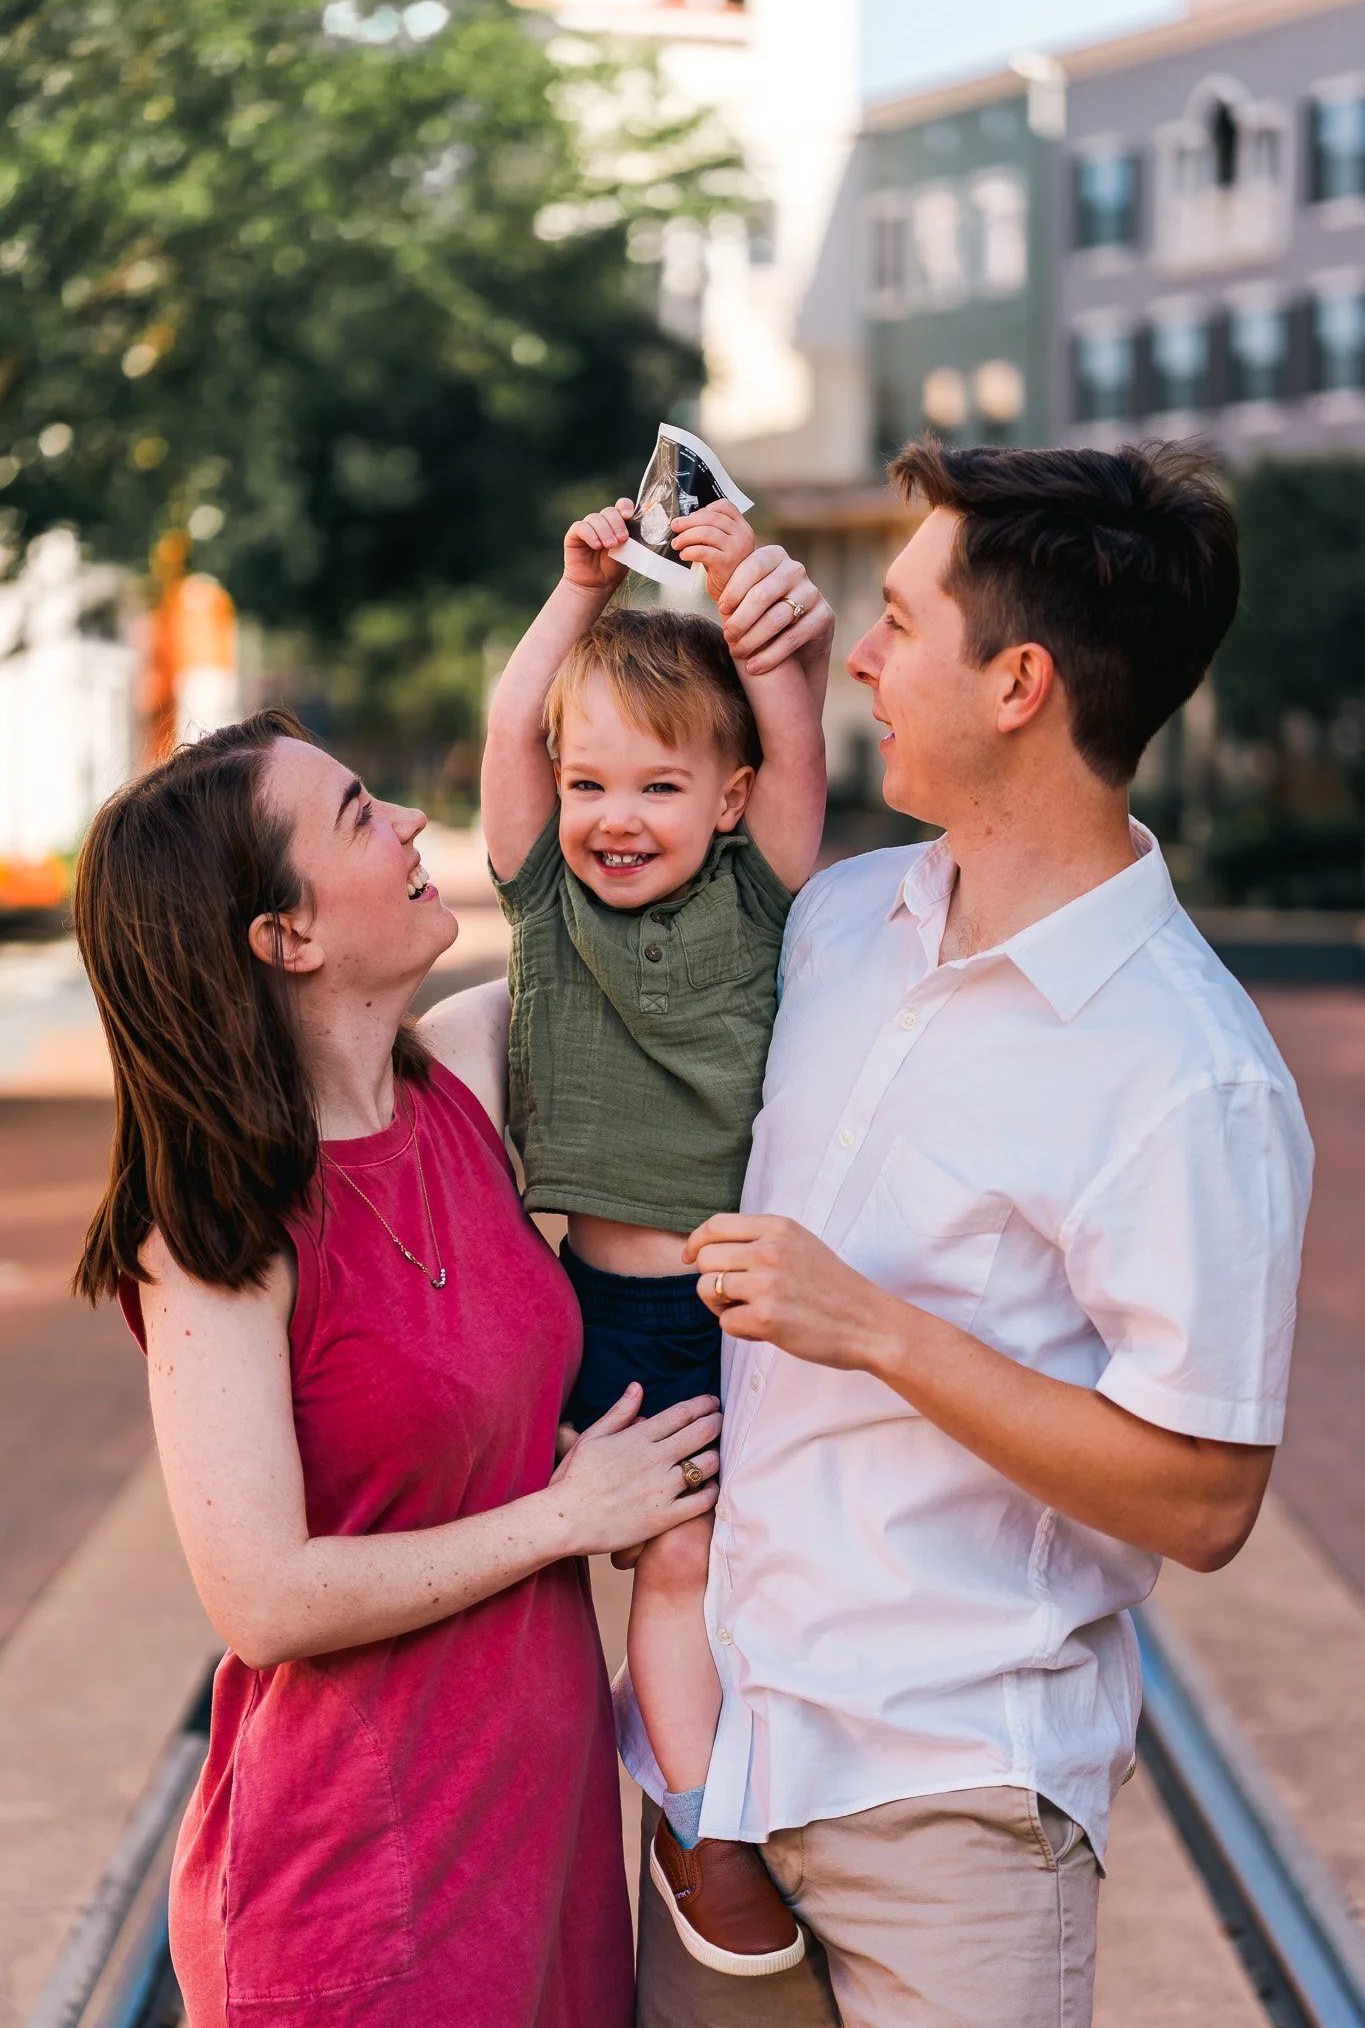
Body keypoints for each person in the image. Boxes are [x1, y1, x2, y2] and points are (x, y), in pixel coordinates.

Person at [626, 440, 1315, 2028]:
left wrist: (874, 1326)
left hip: (955, 1804)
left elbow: (1206, 1499)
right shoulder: (843, 921)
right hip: (725, 1763)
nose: (861, 648)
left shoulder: (1187, 1073)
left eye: (904, 618)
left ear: (1016, 682)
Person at [71, 709, 722, 2028]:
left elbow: (678, 911)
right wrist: (567, 1516)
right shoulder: (216, 1233)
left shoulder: (469, 1082)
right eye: (363, 814)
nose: (416, 825)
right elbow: (261, 1596)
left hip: (540, 1855)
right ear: (287, 936)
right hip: (356, 1893)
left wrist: (747, 652)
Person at [481, 495, 831, 1974]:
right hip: (603, 1319)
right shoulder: (546, 901)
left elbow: (798, 743)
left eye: (661, 788)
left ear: (731, 800)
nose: (615, 818)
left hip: (742, 1310)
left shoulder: (768, 896)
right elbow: (512, 731)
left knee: (759, 1568)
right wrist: (571, 595)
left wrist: (737, 584)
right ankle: (700, 1829)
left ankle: (760, 1794)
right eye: (590, 785)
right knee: (673, 1567)